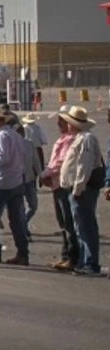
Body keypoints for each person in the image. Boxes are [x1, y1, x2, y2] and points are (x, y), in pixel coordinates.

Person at [57, 106, 104, 276]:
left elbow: (84, 166)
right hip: (78, 189)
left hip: (82, 190)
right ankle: (85, 261)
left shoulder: (85, 139)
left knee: (85, 227)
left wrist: (78, 188)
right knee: (81, 227)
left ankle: (90, 263)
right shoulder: (81, 138)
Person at [39, 107, 79, 271]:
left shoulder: (70, 140)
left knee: (67, 221)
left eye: (61, 121)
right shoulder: (64, 139)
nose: (58, 123)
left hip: (64, 184)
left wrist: (44, 174)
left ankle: (72, 256)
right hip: (57, 183)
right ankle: (66, 255)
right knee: (63, 221)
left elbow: (60, 162)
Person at [0, 108, 29, 265]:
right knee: (16, 220)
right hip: (16, 181)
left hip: (2, 182)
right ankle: (22, 252)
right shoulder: (16, 136)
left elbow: (3, 158)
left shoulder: (2, 136)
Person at [21, 114, 47, 230]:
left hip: (26, 152)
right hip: (36, 150)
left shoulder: (23, 128)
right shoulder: (37, 127)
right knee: (34, 172)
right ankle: (23, 224)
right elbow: (44, 140)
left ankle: (21, 223)